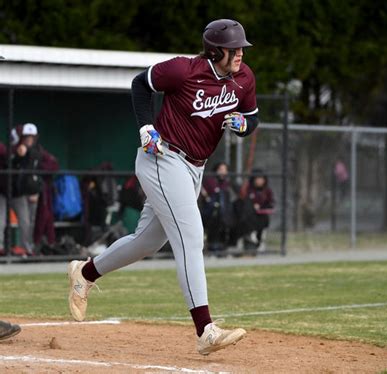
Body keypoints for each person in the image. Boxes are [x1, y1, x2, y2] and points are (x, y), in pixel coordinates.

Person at [67, 19, 258, 355]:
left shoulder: (244, 79)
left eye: (242, 47)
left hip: (194, 168)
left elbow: (251, 117)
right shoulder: (184, 70)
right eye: (234, 48)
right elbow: (140, 84)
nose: (240, 53)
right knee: (190, 236)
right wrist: (145, 126)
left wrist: (244, 125)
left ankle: (85, 272)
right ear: (216, 51)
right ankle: (205, 330)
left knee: (146, 243)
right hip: (162, 157)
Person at [10, 123, 44, 256]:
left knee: (31, 221)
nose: (29, 139)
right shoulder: (18, 149)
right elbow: (14, 160)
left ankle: (28, 247)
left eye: (31, 137)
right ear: (22, 137)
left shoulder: (38, 151)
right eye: (26, 137)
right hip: (19, 193)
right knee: (25, 220)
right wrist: (20, 153)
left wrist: (36, 190)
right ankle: (25, 248)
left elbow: (39, 172)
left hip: (33, 192)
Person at [200, 162, 236, 255]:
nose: (222, 172)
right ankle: (212, 245)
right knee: (216, 217)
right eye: (220, 169)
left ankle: (222, 244)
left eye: (224, 170)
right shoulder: (210, 181)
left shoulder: (227, 183)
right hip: (210, 211)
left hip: (225, 213)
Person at [239, 169, 275, 252]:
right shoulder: (248, 189)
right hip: (250, 217)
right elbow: (243, 201)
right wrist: (253, 205)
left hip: (262, 216)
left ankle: (260, 243)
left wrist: (262, 206)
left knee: (264, 221)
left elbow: (270, 203)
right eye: (257, 179)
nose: (260, 181)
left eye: (261, 179)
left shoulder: (267, 191)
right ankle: (249, 239)